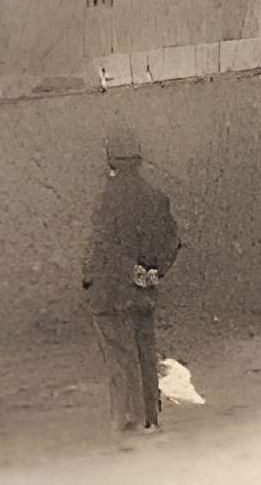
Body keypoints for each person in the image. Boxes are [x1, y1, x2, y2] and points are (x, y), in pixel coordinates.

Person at [82, 126, 180, 435]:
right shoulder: (156, 197)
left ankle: (126, 421)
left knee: (119, 357)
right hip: (143, 291)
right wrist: (154, 271)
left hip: (110, 293)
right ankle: (150, 418)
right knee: (145, 353)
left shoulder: (105, 201)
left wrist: (115, 274)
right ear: (139, 161)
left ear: (110, 161)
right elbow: (171, 241)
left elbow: (103, 248)